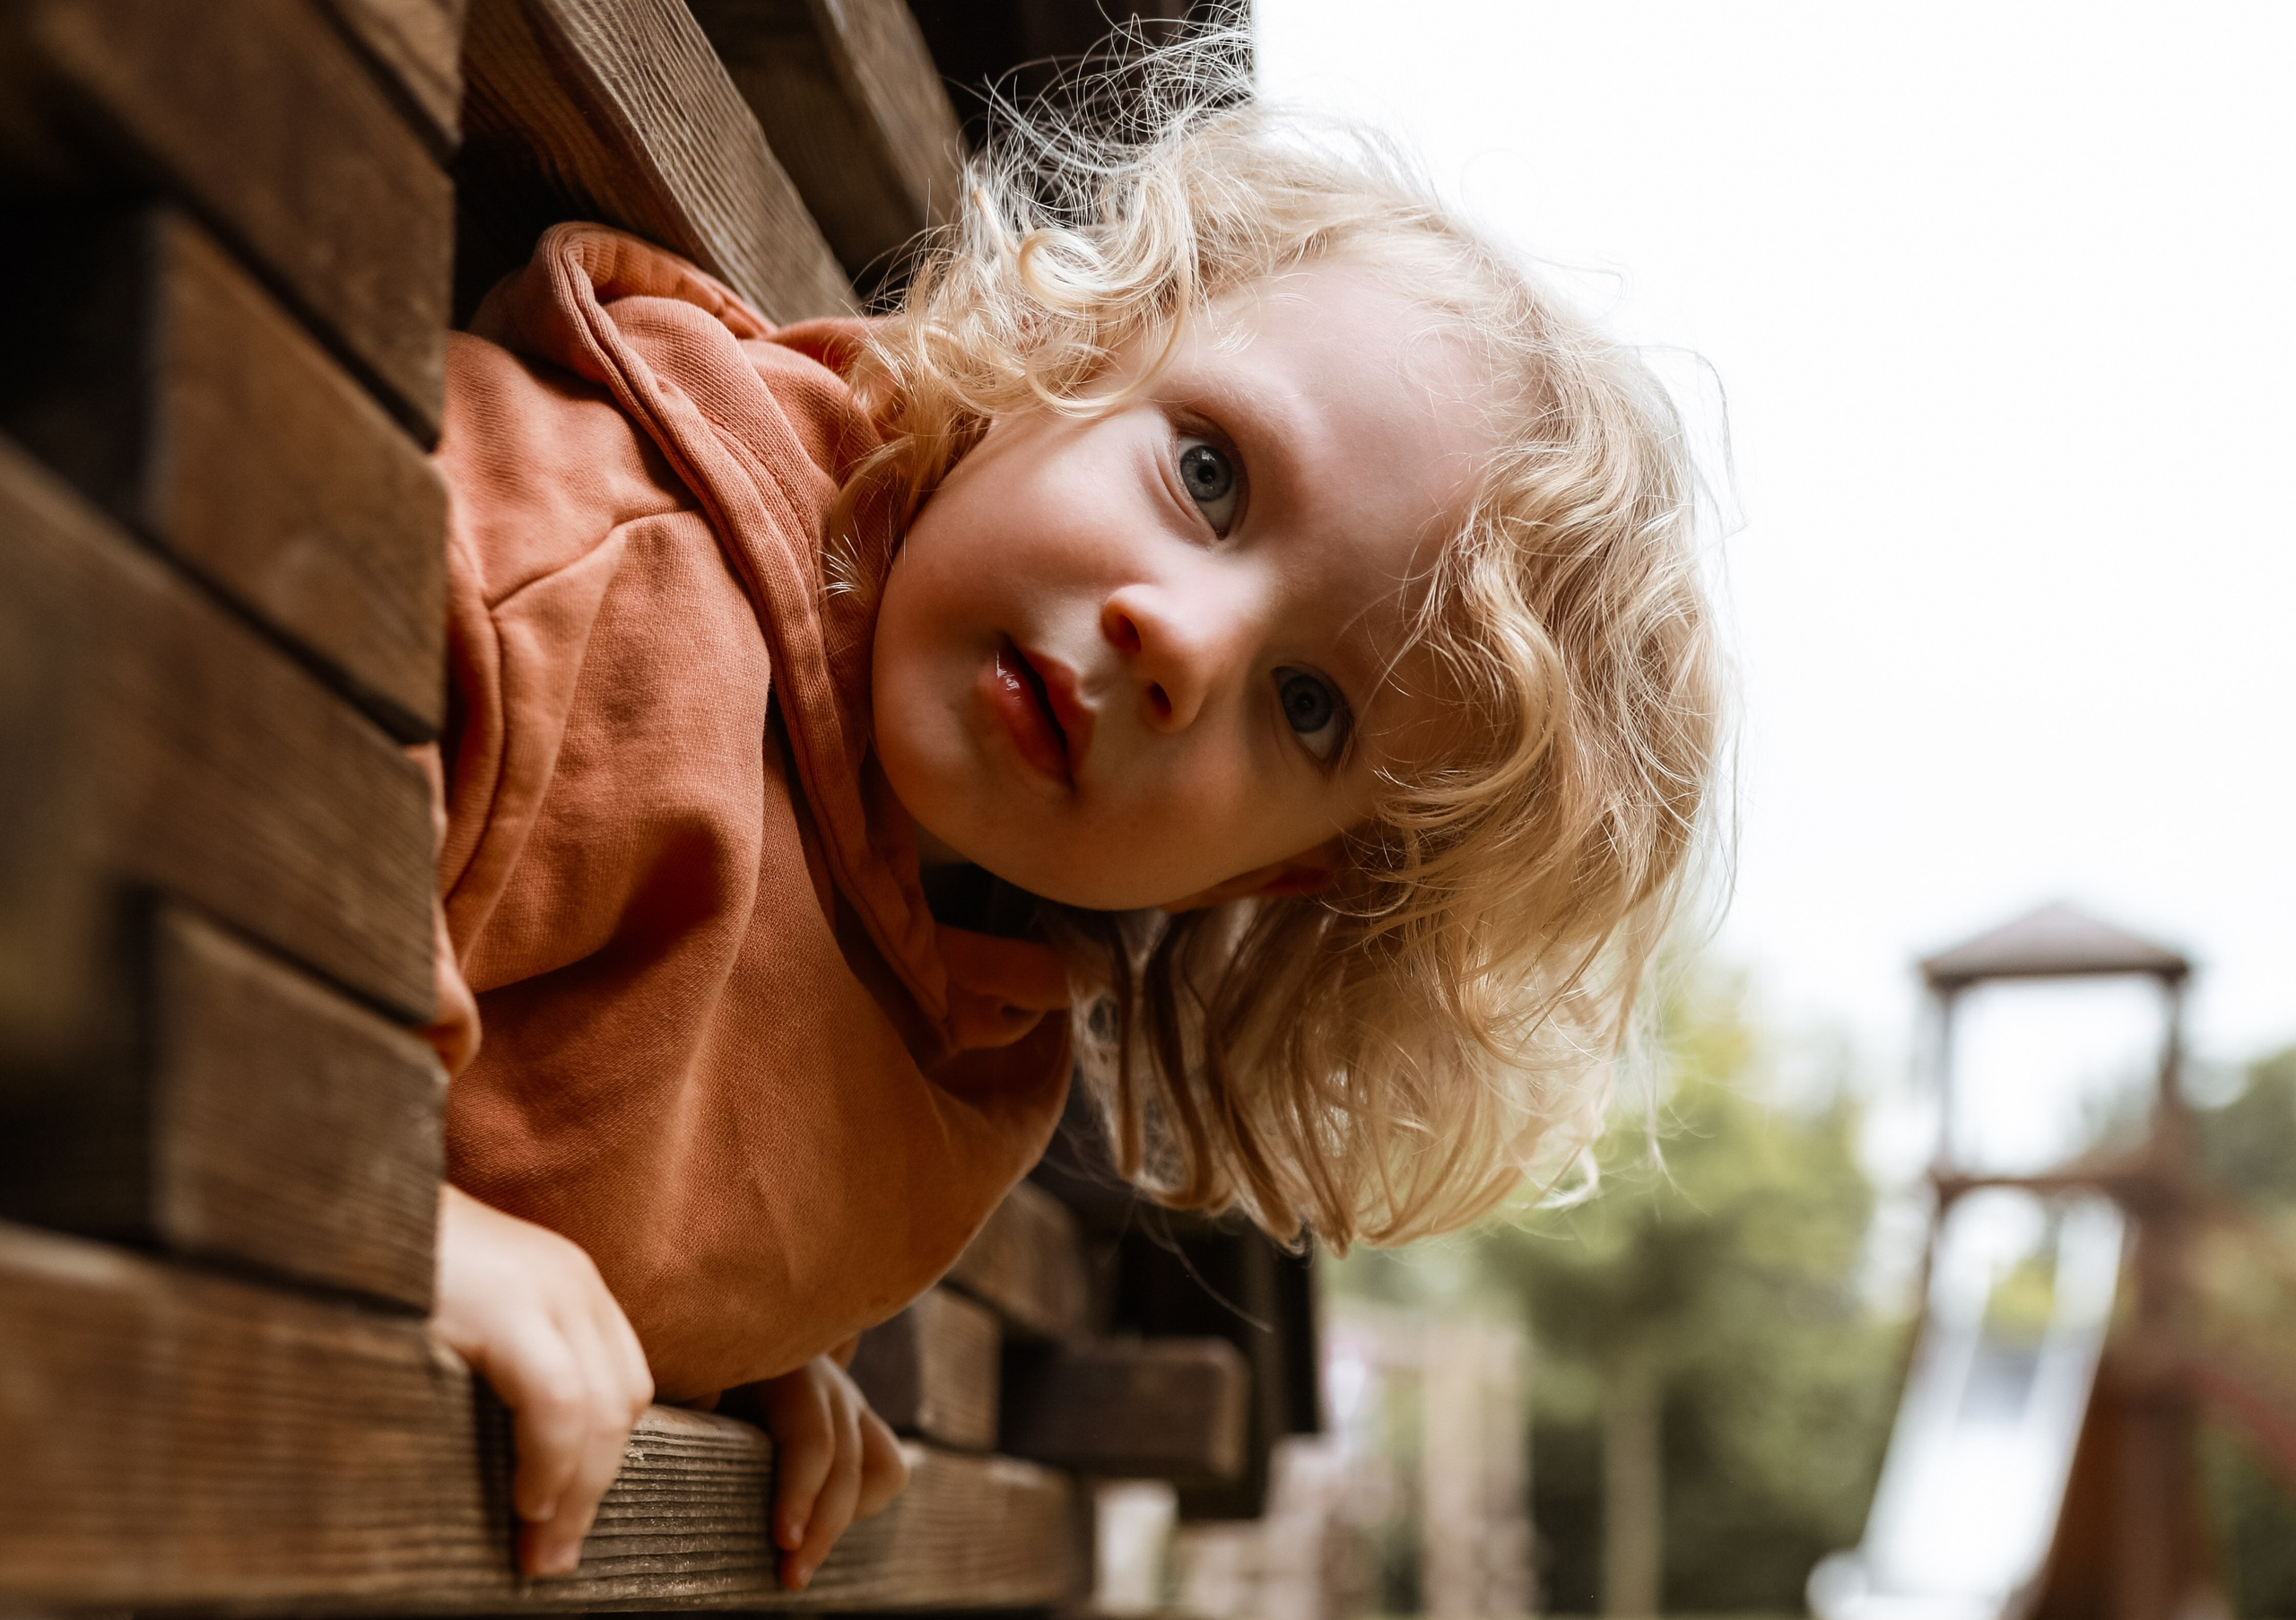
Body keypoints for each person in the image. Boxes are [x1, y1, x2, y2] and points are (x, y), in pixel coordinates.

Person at [419, 46, 1723, 1586]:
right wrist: (398, 1216)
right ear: (1066, 353)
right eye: (1209, 474)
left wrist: (726, 1342)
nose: (1183, 646)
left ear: (1276, 870)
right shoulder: (587, 564)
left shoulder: (978, 1035)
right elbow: (240, 759)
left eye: (1311, 706)